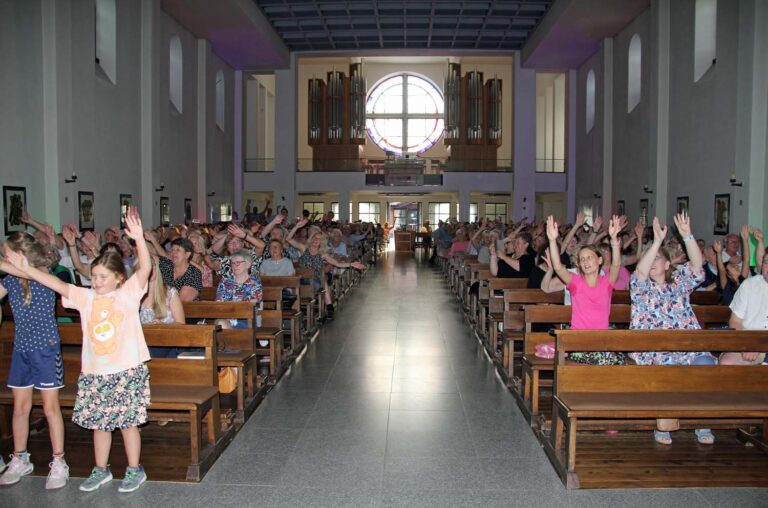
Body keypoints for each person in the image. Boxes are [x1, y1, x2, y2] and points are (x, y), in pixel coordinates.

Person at [4, 206, 153, 492]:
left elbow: (145, 268)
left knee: (128, 424)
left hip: (125, 370)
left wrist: (138, 240)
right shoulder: (85, 298)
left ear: (118, 279)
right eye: (93, 276)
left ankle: (135, 470)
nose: (95, 281)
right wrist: (26, 269)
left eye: (102, 277)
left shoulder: (128, 294)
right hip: (96, 371)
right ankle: (101, 469)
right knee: (100, 425)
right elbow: (57, 284)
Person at [629, 213, 715, 445]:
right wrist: (655, 242)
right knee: (668, 370)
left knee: (706, 365)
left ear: (668, 265)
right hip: (654, 350)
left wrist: (687, 236)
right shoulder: (642, 290)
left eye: (659, 258)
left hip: (687, 348)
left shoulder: (678, 285)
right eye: (650, 258)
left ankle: (702, 422)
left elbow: (697, 266)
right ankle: (664, 423)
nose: (653, 261)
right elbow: (639, 273)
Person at [0, 233, 69, 489]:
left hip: (46, 350)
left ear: (21, 255)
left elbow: (28, 273)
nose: (5, 257)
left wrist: (12, 264)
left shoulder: (42, 273)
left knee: (50, 409)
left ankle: (59, 461)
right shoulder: (11, 278)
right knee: (20, 408)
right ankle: (20, 458)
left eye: (8, 252)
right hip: (22, 350)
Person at [545, 215, 624, 365]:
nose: (585, 262)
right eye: (582, 259)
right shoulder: (576, 283)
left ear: (599, 260)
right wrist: (552, 240)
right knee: (605, 361)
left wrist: (614, 241)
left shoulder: (606, 283)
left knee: (617, 362)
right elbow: (558, 268)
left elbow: (616, 265)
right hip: (579, 342)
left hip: (601, 342)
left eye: (589, 257)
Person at [286, 218, 366, 320]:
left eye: (319, 239)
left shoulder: (323, 254)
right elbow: (288, 239)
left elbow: (337, 263)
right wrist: (297, 226)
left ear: (322, 242)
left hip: (315, 279)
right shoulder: (304, 248)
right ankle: (322, 307)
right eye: (315, 238)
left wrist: (352, 264)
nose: (316, 240)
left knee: (320, 281)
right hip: (302, 278)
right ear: (311, 239)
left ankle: (324, 307)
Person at [719, 251, 768, 365]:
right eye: (766, 262)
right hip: (750, 340)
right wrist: (747, 344)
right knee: (728, 362)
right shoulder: (749, 285)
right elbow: (735, 321)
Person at [215, 250, 263, 330]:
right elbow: (219, 303)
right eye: (233, 263)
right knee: (220, 323)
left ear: (248, 264)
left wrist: (231, 306)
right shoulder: (225, 281)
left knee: (222, 325)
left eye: (238, 262)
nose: (235, 266)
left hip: (247, 320)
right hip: (225, 317)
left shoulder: (255, 283)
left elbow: (252, 305)